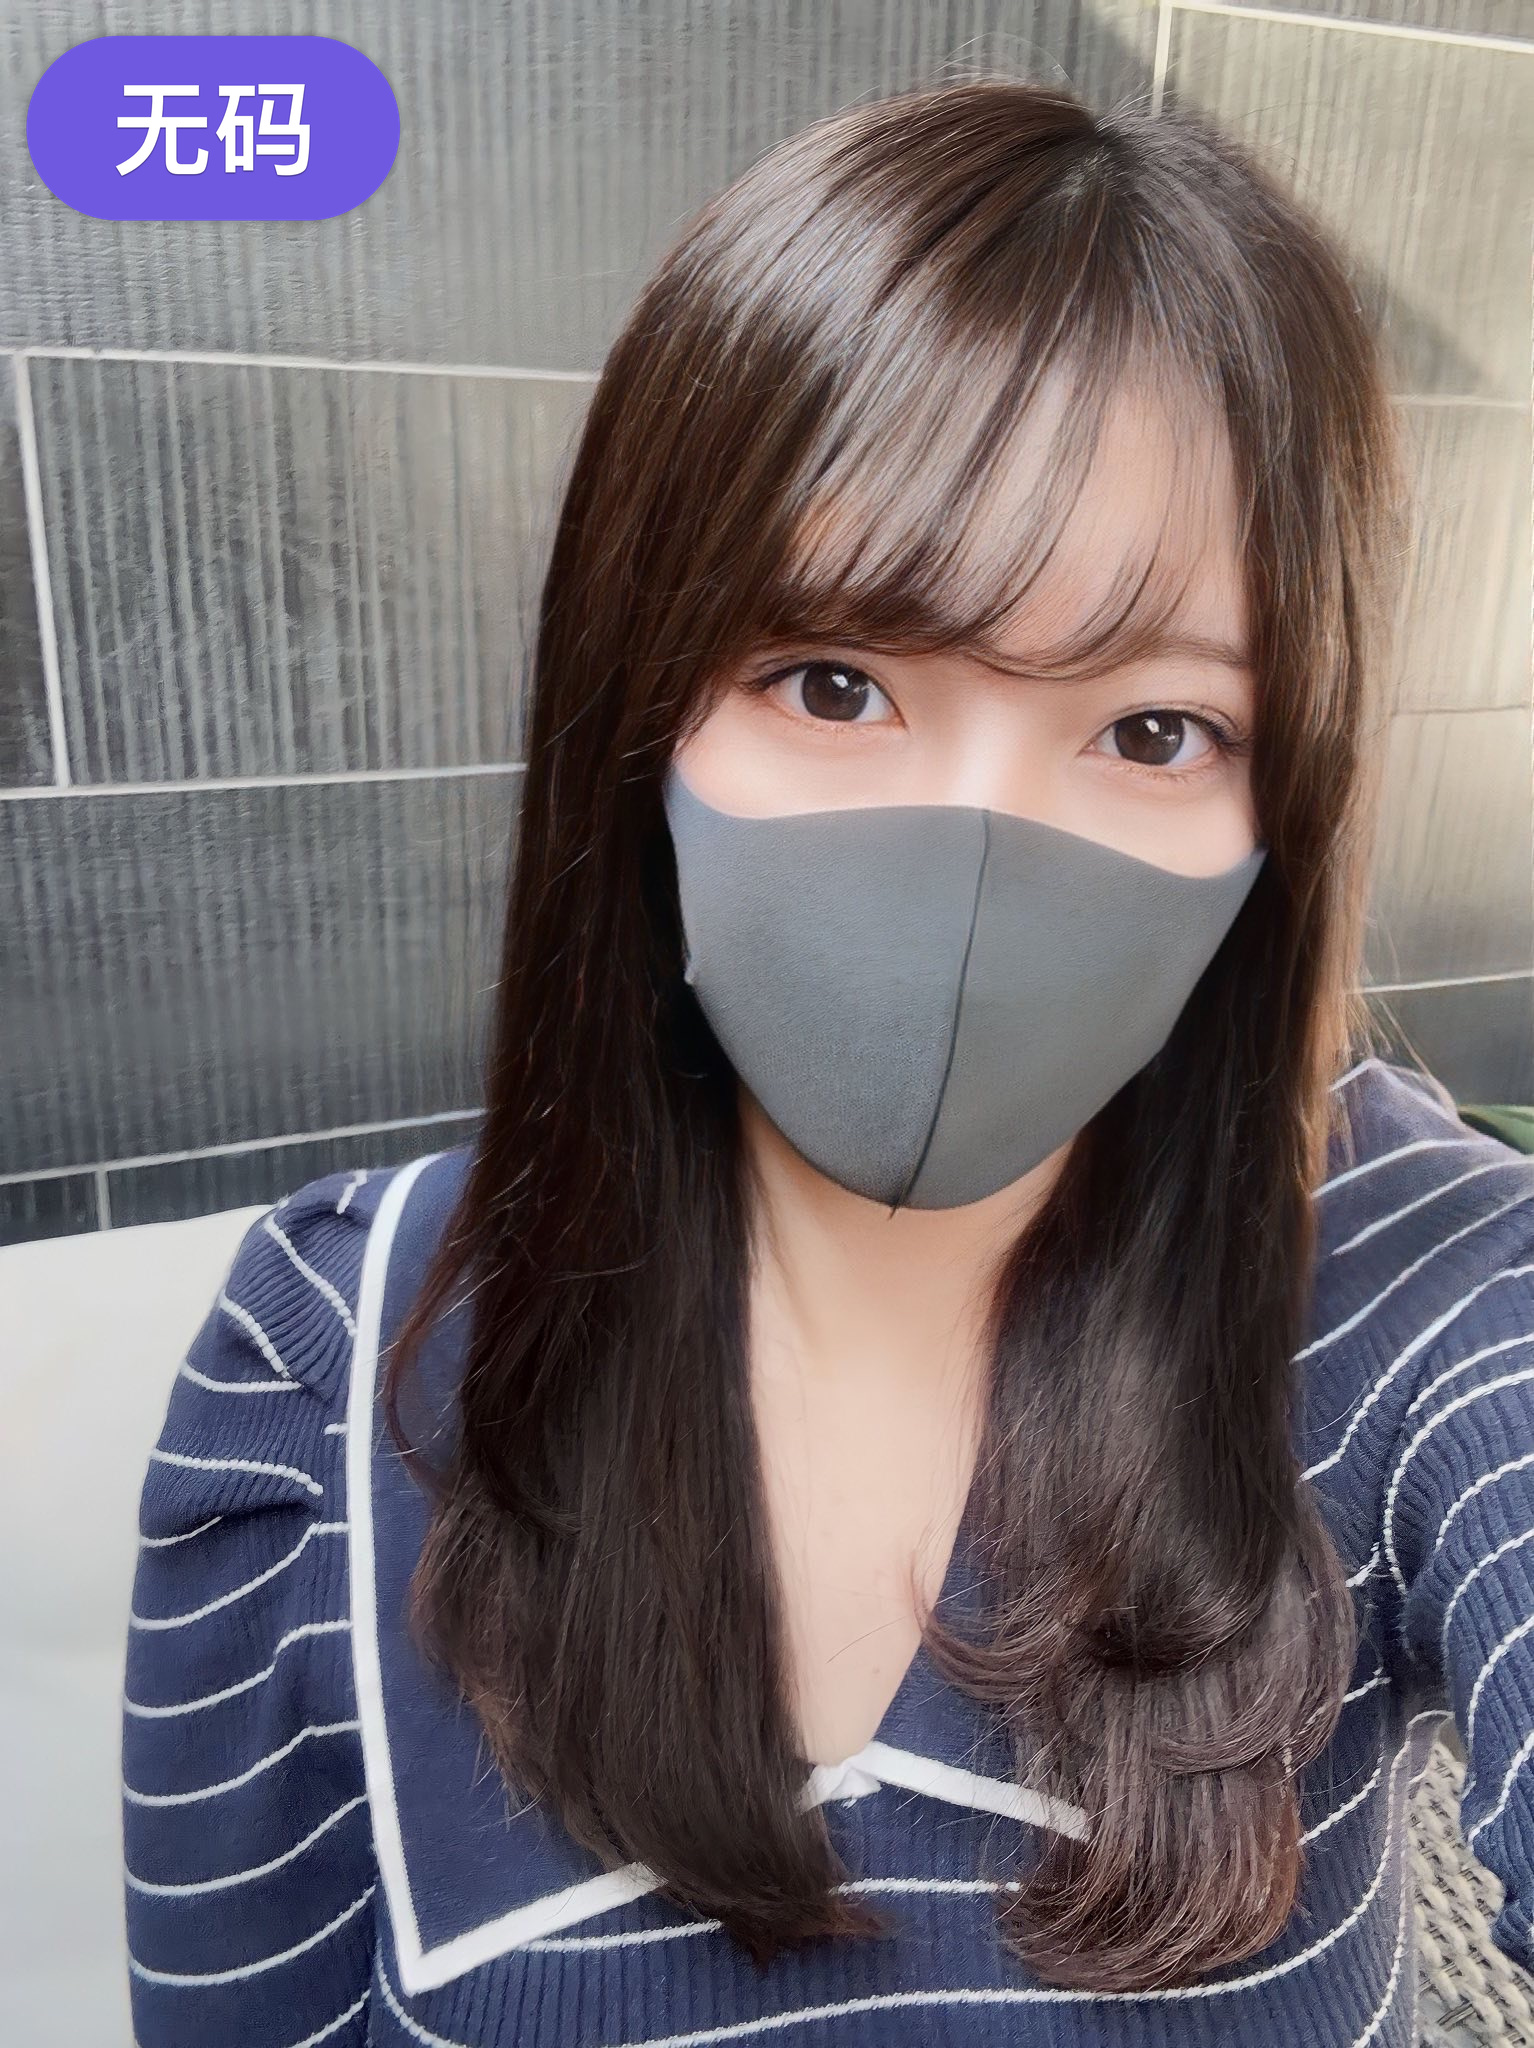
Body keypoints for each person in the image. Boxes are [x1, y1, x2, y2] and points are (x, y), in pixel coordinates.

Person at [121, 75, 1534, 2048]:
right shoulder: (322, 1363)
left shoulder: (1429, 1288)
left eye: (1152, 731)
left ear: (1276, 800)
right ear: (640, 709)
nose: (972, 857)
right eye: (831, 680)